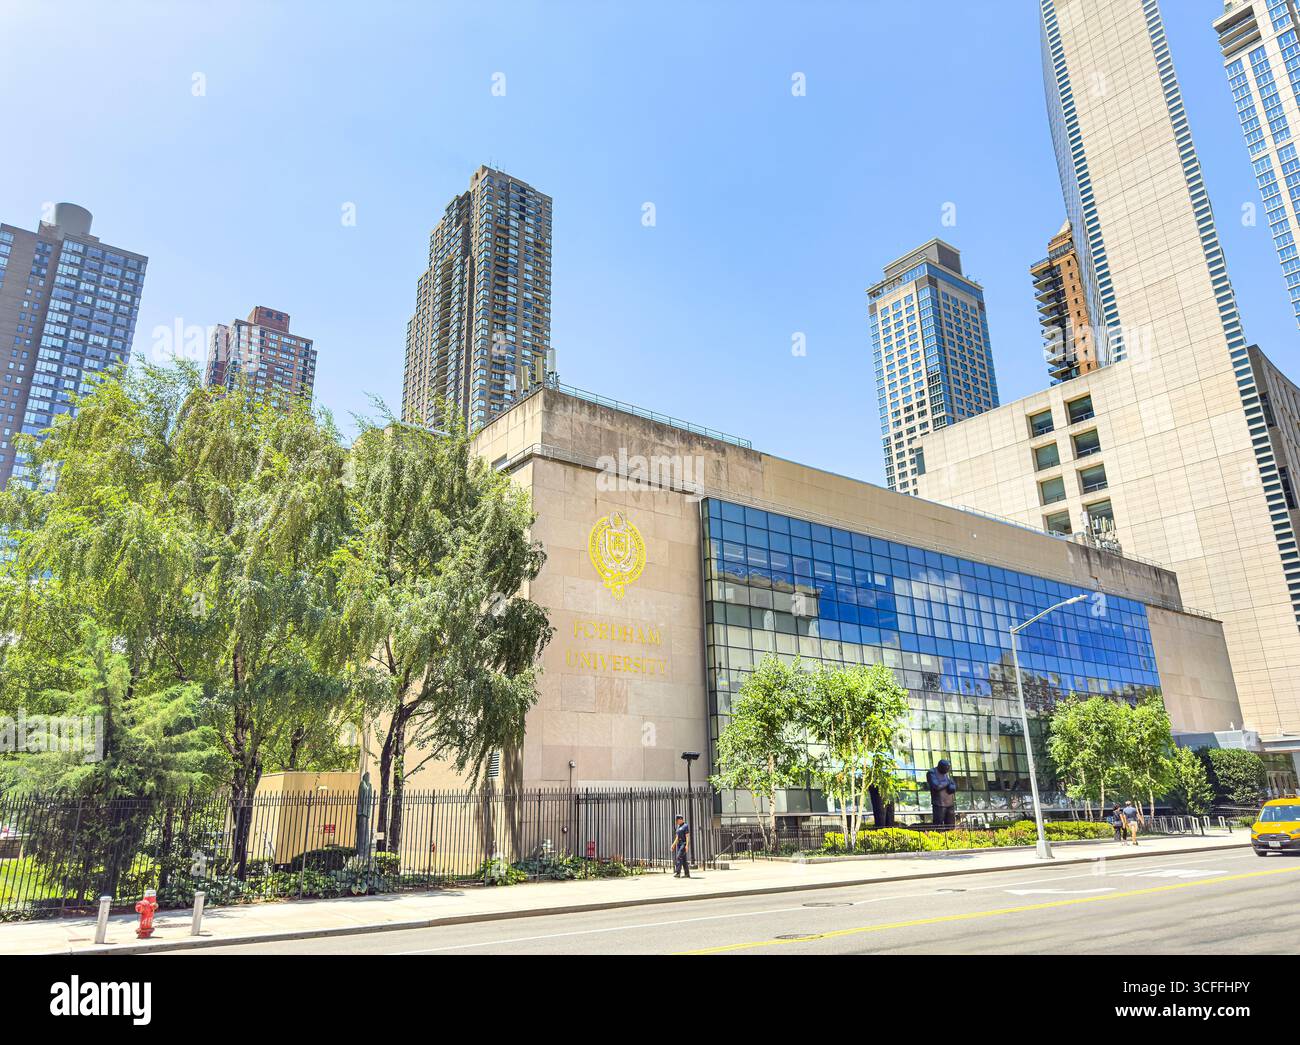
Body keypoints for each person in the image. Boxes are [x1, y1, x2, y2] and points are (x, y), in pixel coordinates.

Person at [926, 759, 958, 828]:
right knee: (938, 825)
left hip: (950, 803)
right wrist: (947, 782)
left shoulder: (947, 774)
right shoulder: (932, 772)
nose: (947, 770)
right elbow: (936, 786)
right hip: (939, 803)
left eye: (948, 768)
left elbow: (953, 787)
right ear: (941, 767)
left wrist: (949, 785)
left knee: (951, 825)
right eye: (946, 768)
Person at [671, 814, 691, 878]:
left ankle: (677, 873)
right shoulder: (678, 827)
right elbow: (677, 837)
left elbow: (687, 836)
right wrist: (673, 845)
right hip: (679, 844)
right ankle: (687, 874)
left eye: (677, 820)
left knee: (678, 857)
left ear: (680, 819)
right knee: (684, 859)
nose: (676, 822)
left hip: (684, 844)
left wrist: (687, 845)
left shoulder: (685, 826)